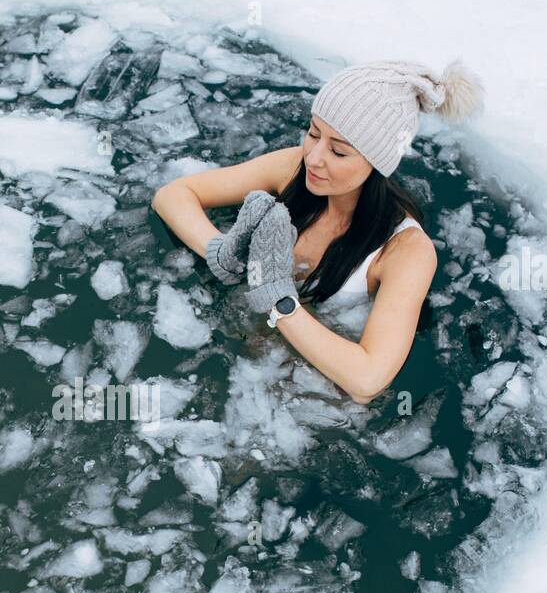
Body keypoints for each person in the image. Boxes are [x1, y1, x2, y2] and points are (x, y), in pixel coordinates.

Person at [151, 59, 484, 404]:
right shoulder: (293, 168)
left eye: (338, 151)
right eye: (313, 133)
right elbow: (172, 196)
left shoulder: (406, 250)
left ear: (377, 163)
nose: (313, 158)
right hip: (232, 352)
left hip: (306, 393)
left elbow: (368, 380)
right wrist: (223, 252)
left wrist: (278, 299)